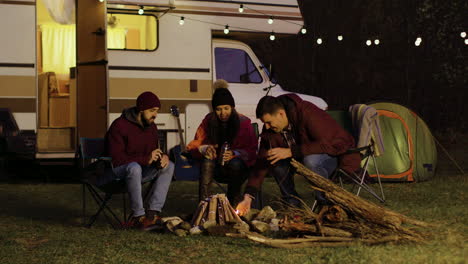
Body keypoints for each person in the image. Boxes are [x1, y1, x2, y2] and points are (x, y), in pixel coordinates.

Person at [236, 94, 361, 215]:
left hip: (334, 155)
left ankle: (326, 205)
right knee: (276, 162)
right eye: (265, 123)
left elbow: (331, 143)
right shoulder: (271, 130)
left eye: (269, 122)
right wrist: (248, 196)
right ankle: (293, 206)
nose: (267, 127)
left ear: (281, 113)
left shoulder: (307, 112)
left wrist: (291, 151)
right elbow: (261, 163)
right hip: (301, 158)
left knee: (311, 160)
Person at [106, 91, 174, 230]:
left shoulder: (151, 126)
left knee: (169, 166)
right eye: (151, 111)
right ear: (141, 110)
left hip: (140, 169)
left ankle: (152, 214)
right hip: (117, 171)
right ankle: (138, 217)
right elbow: (117, 158)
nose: (155, 115)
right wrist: (145, 159)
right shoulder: (119, 125)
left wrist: (163, 157)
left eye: (156, 111)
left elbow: (154, 152)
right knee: (134, 167)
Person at [186, 80, 258, 206]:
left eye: (226, 108)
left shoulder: (244, 123)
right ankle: (204, 206)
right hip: (216, 168)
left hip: (239, 169)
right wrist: (205, 149)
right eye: (218, 109)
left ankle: (232, 205)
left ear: (232, 107)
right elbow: (195, 143)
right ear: (214, 109)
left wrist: (235, 153)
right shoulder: (208, 121)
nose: (223, 113)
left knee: (235, 163)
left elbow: (251, 150)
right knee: (207, 161)